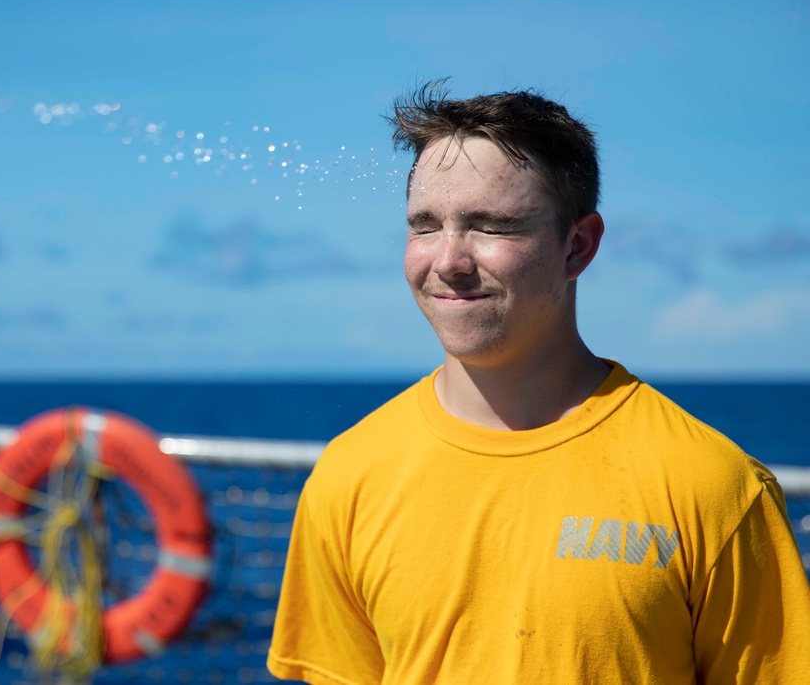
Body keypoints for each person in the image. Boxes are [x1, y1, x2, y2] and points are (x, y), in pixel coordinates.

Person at [267, 80, 810, 683]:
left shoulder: (713, 487)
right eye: (425, 226)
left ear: (578, 246)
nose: (447, 260)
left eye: (491, 227)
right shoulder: (349, 476)